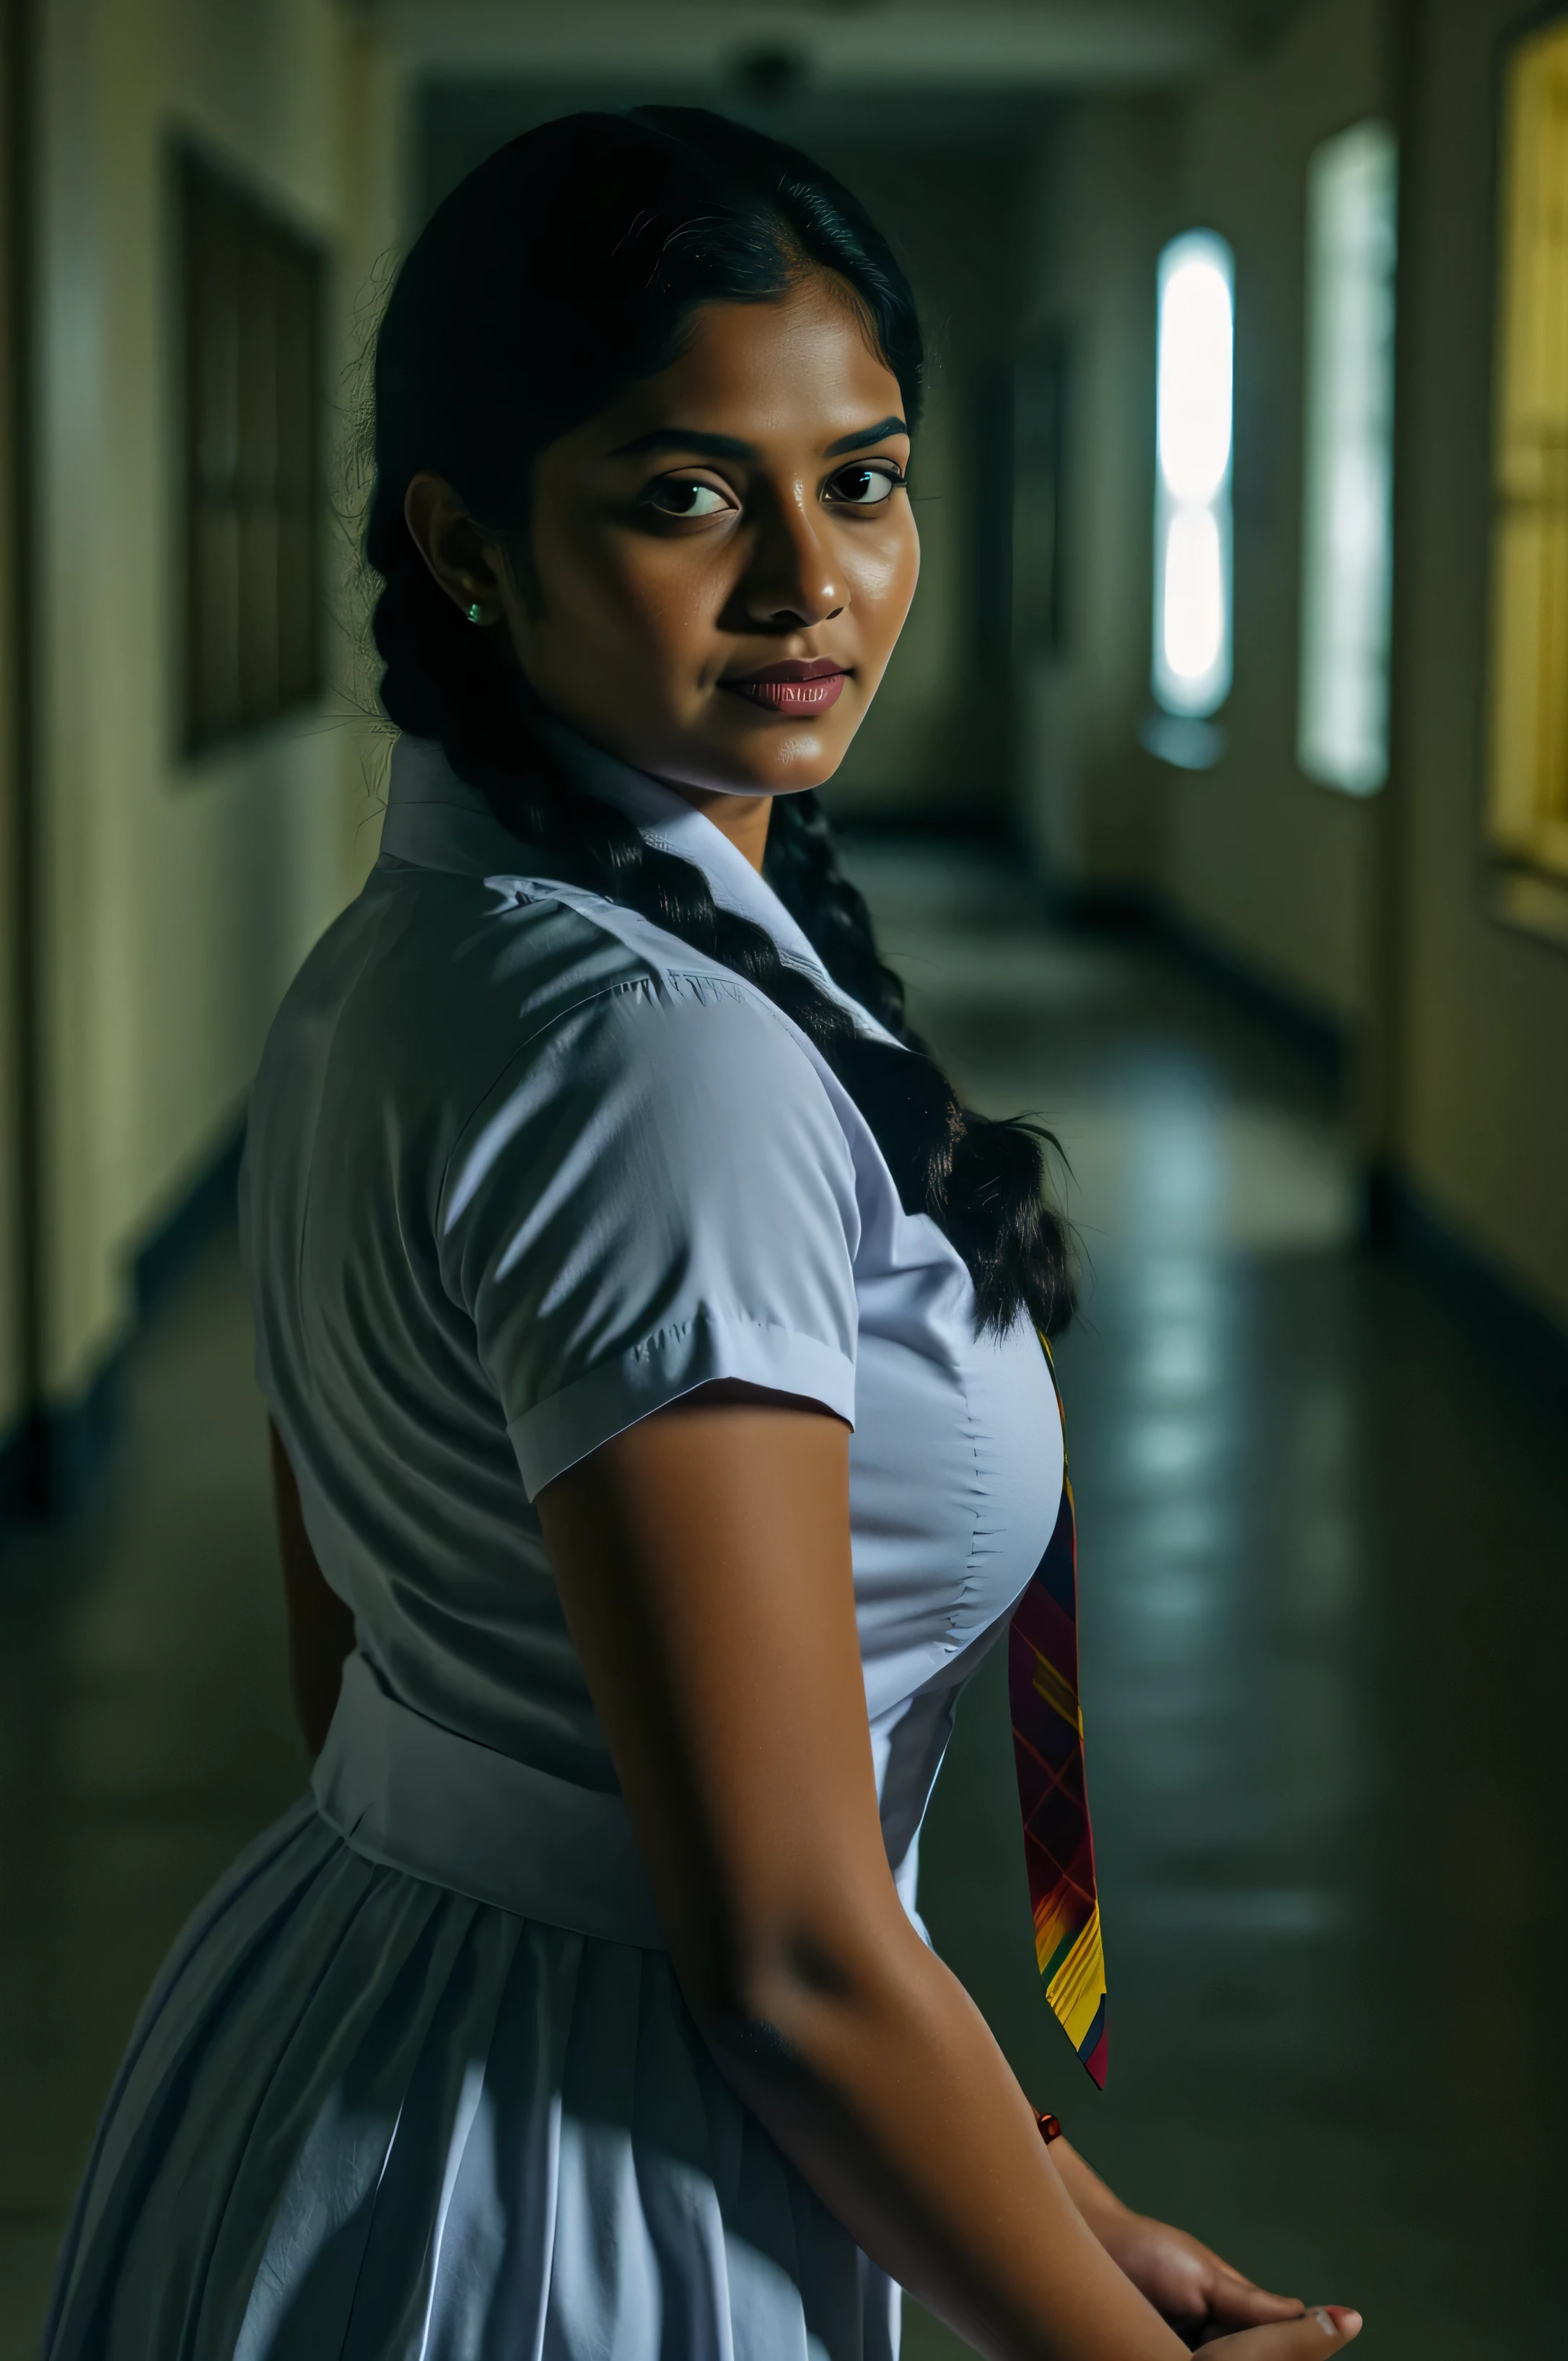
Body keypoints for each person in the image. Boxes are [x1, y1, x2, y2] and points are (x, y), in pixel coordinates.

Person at [45, 111, 1363, 2361]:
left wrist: (1048, 2195)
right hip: (575, 2172)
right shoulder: (653, 1058)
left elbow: (371, 1683)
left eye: (863, 481)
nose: (807, 582)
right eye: (686, 494)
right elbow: (788, 1954)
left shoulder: (414, 955)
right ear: (467, 543)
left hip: (367, 2041)